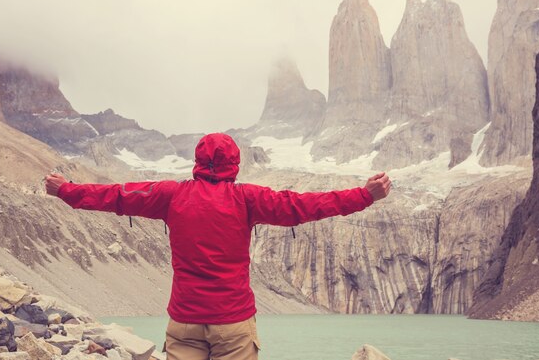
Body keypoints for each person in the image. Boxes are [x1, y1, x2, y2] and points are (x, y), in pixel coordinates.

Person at [45, 132, 391, 360]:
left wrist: (65, 189)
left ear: (197, 161)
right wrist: (364, 195)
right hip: (233, 324)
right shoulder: (248, 199)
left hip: (184, 322)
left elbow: (117, 196)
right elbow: (304, 205)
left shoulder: (170, 195)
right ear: (234, 164)